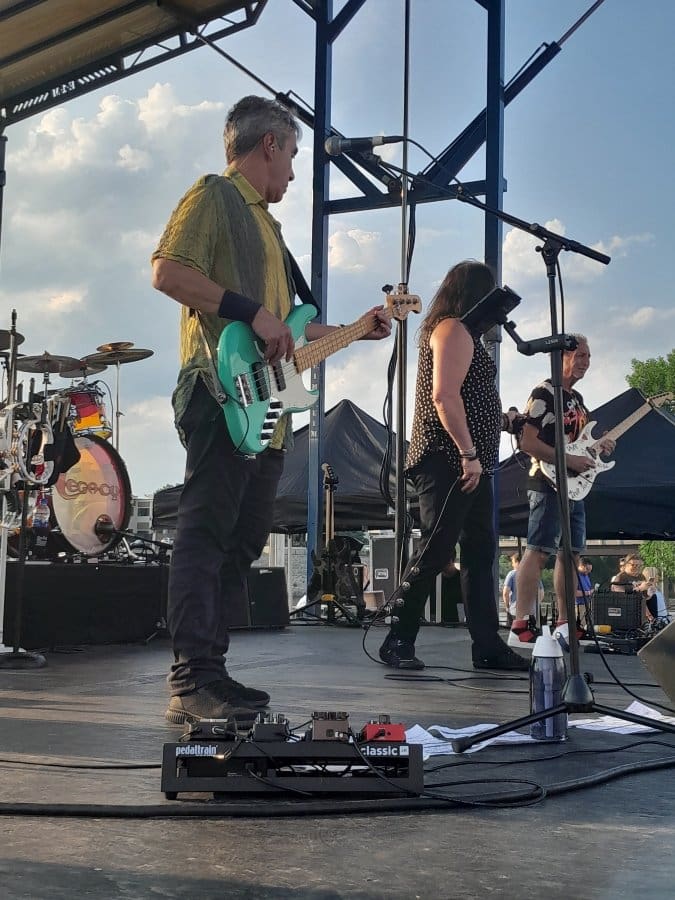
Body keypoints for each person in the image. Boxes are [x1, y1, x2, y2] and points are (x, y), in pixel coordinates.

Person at [151, 95, 391, 727]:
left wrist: (357, 330)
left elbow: (292, 329)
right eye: (292, 156)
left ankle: (210, 669)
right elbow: (168, 272)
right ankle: (190, 678)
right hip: (221, 391)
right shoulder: (215, 195)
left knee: (244, 538)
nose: (292, 171)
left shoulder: (272, 233)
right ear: (269, 145)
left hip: (268, 411)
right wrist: (249, 310)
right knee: (206, 532)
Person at [378, 260, 528, 672]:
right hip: (449, 459)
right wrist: (468, 453)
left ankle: (487, 645)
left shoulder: (462, 334)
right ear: (477, 294)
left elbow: (468, 400)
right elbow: (444, 397)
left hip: (469, 461)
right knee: (437, 548)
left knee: (480, 551)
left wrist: (502, 421)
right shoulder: (452, 329)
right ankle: (398, 638)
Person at [509, 335, 616, 651]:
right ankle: (520, 624)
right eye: (580, 355)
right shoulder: (544, 393)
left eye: (588, 356)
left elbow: (579, 445)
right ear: (561, 357)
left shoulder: (578, 400)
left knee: (571, 553)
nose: (586, 362)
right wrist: (568, 460)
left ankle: (565, 624)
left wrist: (600, 447)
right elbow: (527, 442)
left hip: (574, 486)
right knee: (538, 549)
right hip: (547, 480)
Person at [502, 552, 544, 628]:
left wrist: (507, 607)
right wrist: (534, 605)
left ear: (517, 562)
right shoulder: (534, 574)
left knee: (514, 630)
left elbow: (505, 593)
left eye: (513, 562)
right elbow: (541, 593)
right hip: (532, 612)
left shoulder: (512, 574)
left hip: (516, 611)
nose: (512, 565)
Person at [575, 556, 594, 630]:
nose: (588, 572)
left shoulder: (586, 575)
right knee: (582, 627)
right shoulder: (575, 575)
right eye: (587, 569)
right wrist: (588, 592)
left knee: (588, 626)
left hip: (588, 605)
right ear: (581, 566)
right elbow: (574, 593)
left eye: (590, 570)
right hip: (579, 606)